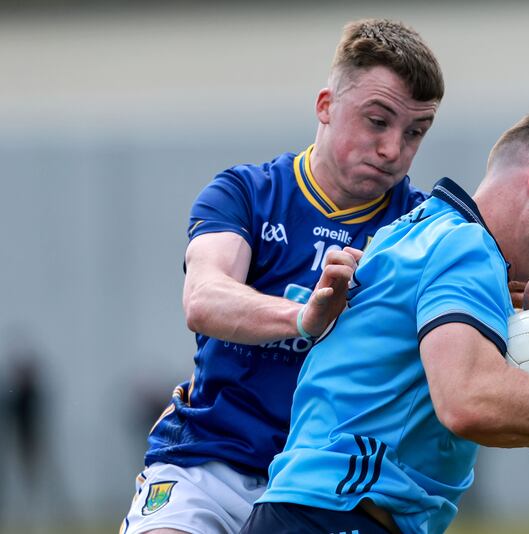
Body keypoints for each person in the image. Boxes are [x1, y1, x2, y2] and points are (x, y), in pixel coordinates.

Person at [241, 112, 529, 534]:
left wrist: (523, 335)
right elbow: (468, 403)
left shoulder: (415, 232)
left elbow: (467, 405)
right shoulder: (467, 246)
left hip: (312, 510)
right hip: (338, 514)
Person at [122, 19, 446, 534]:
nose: (393, 149)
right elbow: (204, 299)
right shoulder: (248, 193)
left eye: (415, 133)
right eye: (377, 121)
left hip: (327, 487)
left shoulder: (425, 230)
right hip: (208, 462)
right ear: (325, 106)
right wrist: (304, 317)